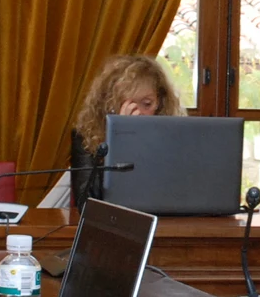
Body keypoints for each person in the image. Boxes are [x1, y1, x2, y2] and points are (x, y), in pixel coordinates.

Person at [37, 54, 185, 209]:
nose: (138, 112)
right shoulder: (86, 134)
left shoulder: (172, 135)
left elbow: (177, 193)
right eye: (129, 104)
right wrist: (122, 141)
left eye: (147, 104)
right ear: (112, 104)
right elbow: (86, 203)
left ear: (159, 103)